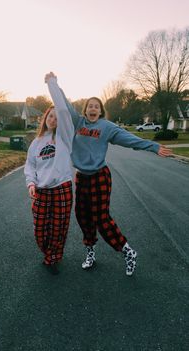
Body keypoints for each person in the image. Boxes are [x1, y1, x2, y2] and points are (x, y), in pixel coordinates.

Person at [46, 72, 172, 276]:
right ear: (85, 110)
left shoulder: (107, 127)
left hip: (99, 177)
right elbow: (65, 104)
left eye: (97, 106)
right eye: (90, 105)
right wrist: (53, 83)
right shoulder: (78, 122)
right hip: (82, 177)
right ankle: (90, 253)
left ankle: (128, 252)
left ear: (101, 111)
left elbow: (130, 139)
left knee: (101, 219)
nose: (93, 108)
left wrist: (153, 146)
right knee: (82, 216)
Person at [24, 75, 74, 275]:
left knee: (58, 227)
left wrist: (52, 84)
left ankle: (52, 257)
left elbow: (62, 109)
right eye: (50, 116)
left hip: (62, 187)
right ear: (45, 118)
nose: (53, 119)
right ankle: (48, 252)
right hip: (42, 190)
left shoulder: (64, 136)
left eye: (56, 117)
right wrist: (31, 183)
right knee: (40, 229)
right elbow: (30, 165)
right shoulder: (37, 142)